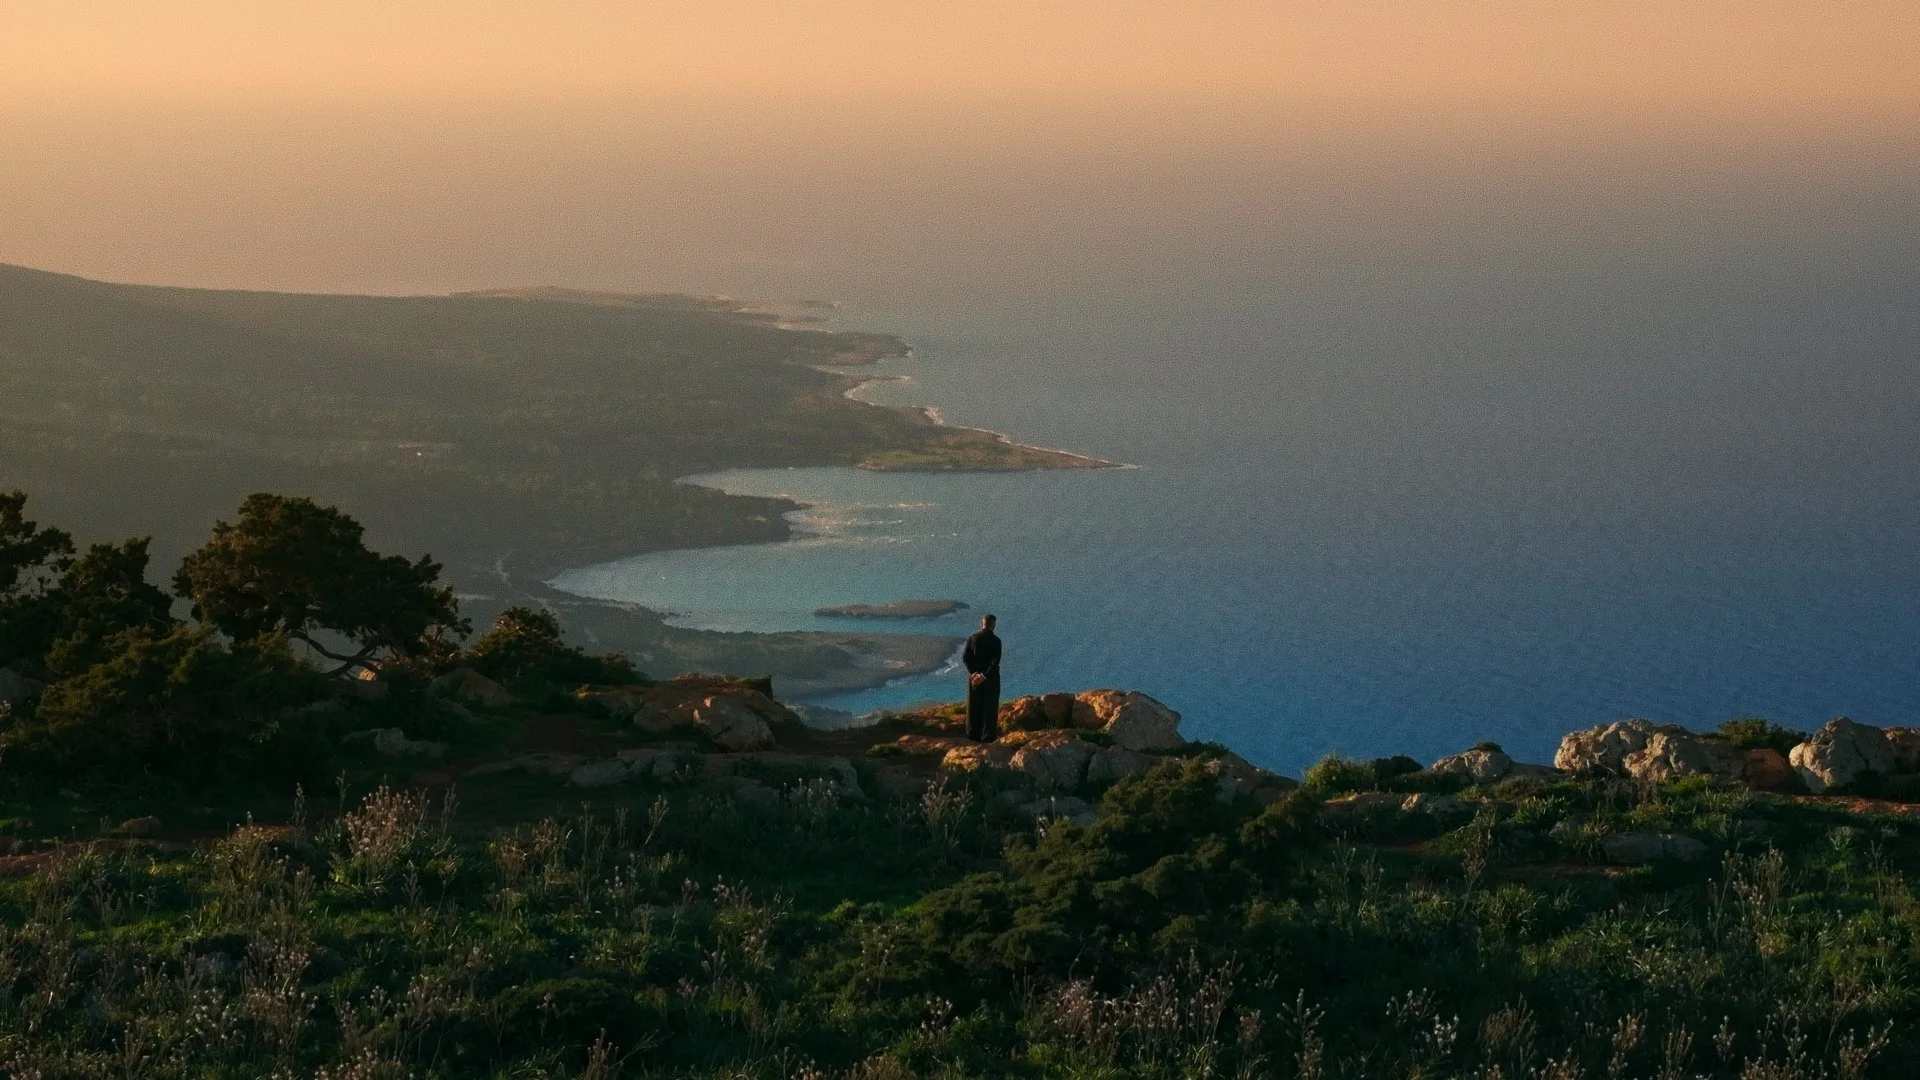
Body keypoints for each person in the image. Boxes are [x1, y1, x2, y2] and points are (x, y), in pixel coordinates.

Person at [962, 613, 1002, 742]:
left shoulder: (972, 638)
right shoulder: (996, 641)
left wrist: (974, 673)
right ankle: (988, 736)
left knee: (973, 706)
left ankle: (972, 735)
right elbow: (995, 663)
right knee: (990, 707)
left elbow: (965, 657)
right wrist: (984, 676)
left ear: (982, 623)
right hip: (991, 679)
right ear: (994, 626)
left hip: (974, 678)